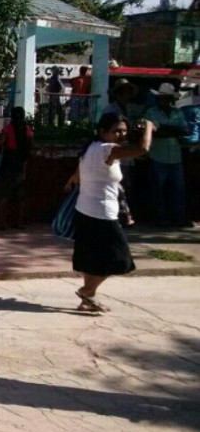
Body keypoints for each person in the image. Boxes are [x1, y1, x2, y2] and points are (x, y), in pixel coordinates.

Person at [68, 113, 154, 313]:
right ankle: (86, 290)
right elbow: (142, 148)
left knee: (92, 260)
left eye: (124, 131)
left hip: (85, 209)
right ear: (103, 132)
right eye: (116, 131)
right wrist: (149, 127)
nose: (121, 135)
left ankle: (87, 299)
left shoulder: (91, 148)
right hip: (102, 213)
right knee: (121, 259)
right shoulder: (108, 149)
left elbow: (78, 176)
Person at [144, 83, 191, 227]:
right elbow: (155, 131)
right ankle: (160, 218)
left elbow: (185, 130)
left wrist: (166, 128)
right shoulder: (151, 112)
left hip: (175, 157)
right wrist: (174, 130)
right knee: (158, 191)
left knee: (178, 191)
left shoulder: (177, 112)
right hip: (158, 156)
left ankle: (178, 218)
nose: (165, 101)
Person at [102, 79, 139, 226]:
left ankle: (124, 215)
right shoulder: (110, 110)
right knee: (115, 186)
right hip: (114, 152)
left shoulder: (129, 109)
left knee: (126, 185)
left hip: (127, 152)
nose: (127, 96)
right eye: (124, 93)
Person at [0, 106, 33, 230]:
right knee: (20, 196)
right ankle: (19, 222)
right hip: (21, 163)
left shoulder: (8, 129)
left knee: (3, 194)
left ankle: (2, 222)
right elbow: (29, 147)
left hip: (8, 162)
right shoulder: (27, 130)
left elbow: (0, 143)